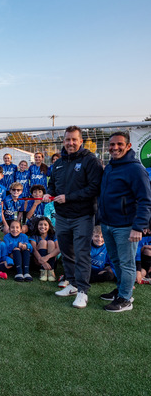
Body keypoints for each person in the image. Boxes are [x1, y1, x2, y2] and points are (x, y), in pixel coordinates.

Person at [47, 125, 103, 309]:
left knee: (81, 253)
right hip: (62, 216)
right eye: (67, 140)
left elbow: (95, 188)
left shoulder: (90, 160)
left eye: (74, 139)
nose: (70, 143)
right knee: (67, 251)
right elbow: (52, 185)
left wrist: (68, 197)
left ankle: (83, 292)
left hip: (83, 216)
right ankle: (72, 284)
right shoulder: (58, 163)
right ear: (63, 141)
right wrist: (50, 194)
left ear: (81, 141)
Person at [98, 131, 151, 312]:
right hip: (107, 224)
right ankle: (121, 290)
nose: (115, 148)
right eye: (112, 144)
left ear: (128, 146)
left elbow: (145, 200)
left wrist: (139, 226)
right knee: (116, 260)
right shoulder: (111, 167)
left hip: (126, 226)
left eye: (119, 144)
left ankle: (126, 299)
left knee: (127, 263)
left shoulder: (136, 169)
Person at [29, 217, 60, 282]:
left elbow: (58, 249)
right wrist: (42, 261)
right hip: (38, 260)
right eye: (40, 224)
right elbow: (34, 250)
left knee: (50, 242)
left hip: (50, 261)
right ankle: (43, 271)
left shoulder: (53, 235)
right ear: (37, 226)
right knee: (43, 242)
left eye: (45, 225)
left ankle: (51, 271)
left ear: (49, 226)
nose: (43, 226)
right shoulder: (34, 236)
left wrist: (47, 257)